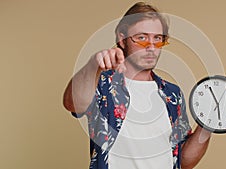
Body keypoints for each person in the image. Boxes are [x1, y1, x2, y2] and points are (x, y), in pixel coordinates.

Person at [63, 2, 211, 169]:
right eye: (142, 37)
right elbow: (72, 104)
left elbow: (182, 161)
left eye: (157, 38)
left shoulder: (172, 94)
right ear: (122, 39)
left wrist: (208, 123)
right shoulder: (103, 82)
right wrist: (93, 65)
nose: (151, 47)